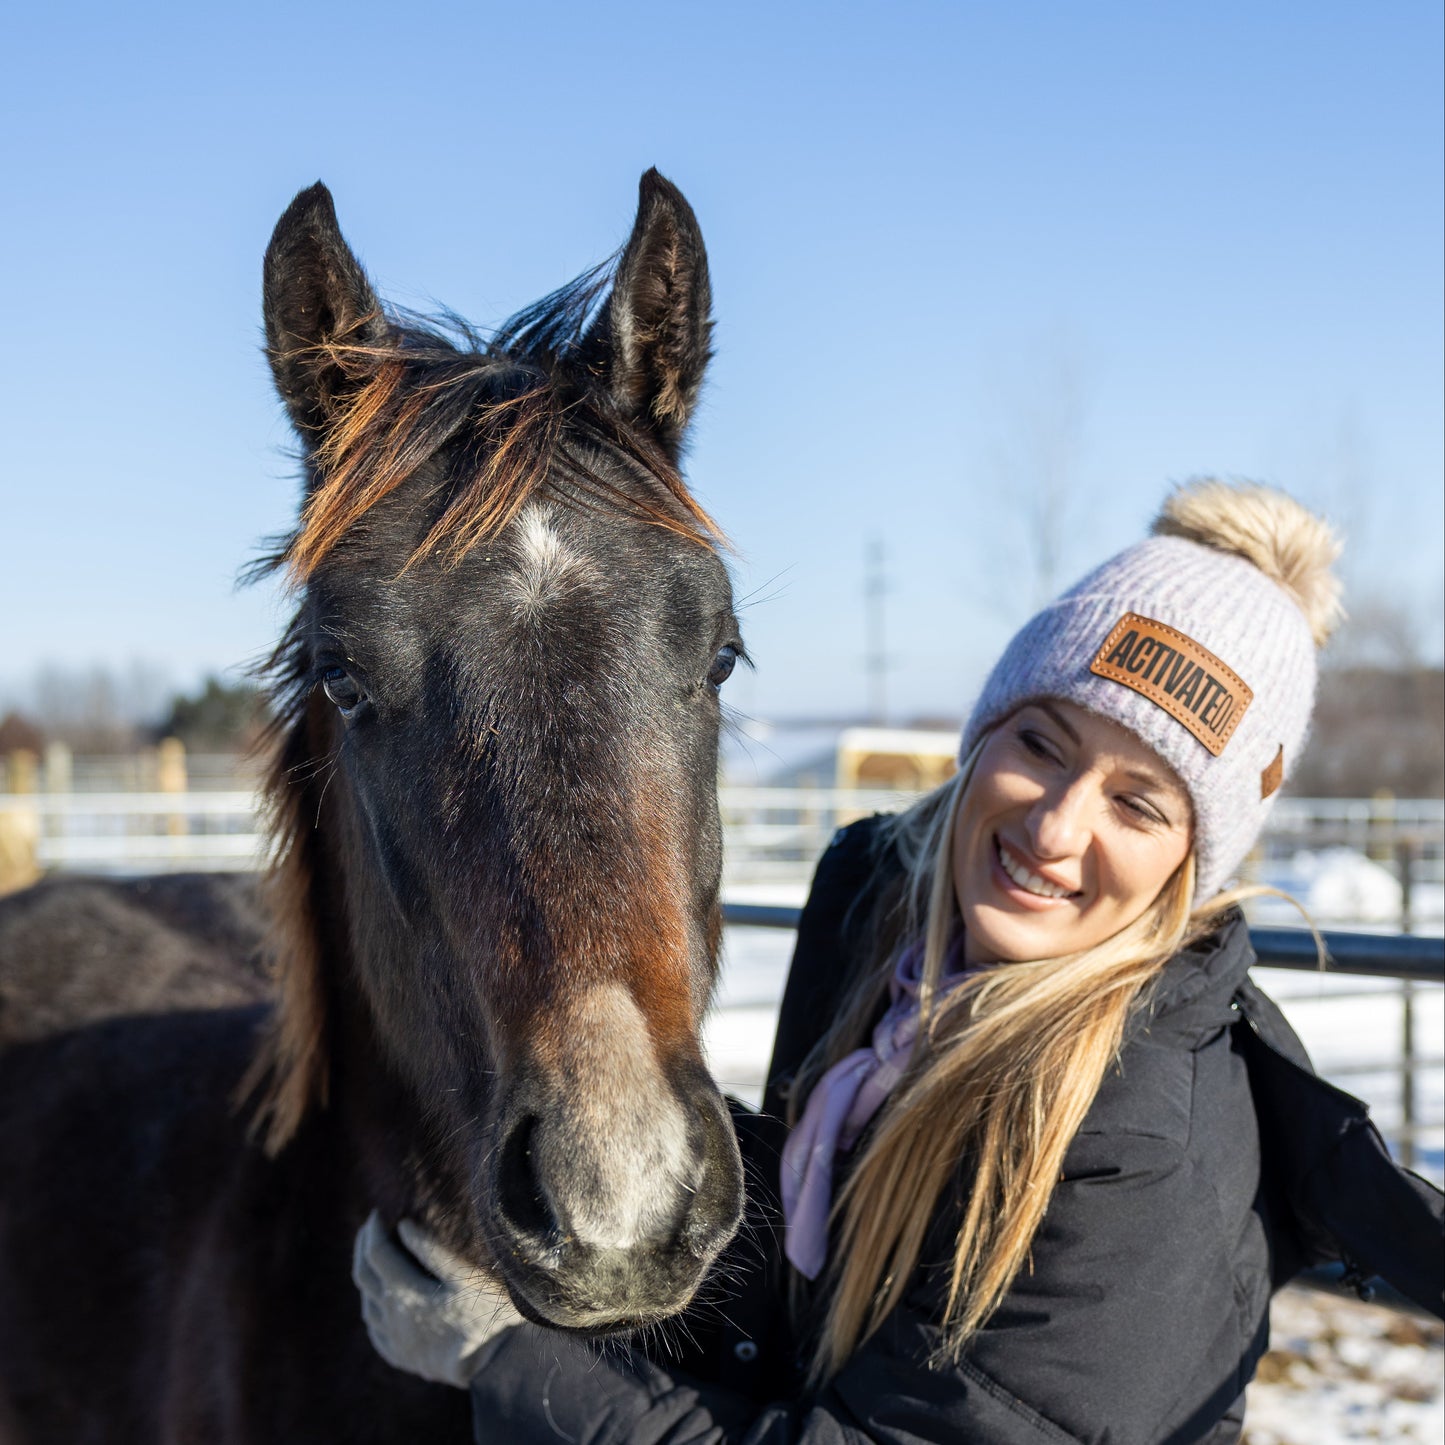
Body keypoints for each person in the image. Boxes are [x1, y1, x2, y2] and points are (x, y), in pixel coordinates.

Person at [352, 479, 1444, 1443]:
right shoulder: (891, 941)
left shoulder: (1136, 1150)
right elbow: (822, 1296)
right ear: (981, 735)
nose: (1055, 829)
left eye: (1136, 800)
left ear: (1190, 858)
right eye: (1039, 743)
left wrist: (500, 1359)